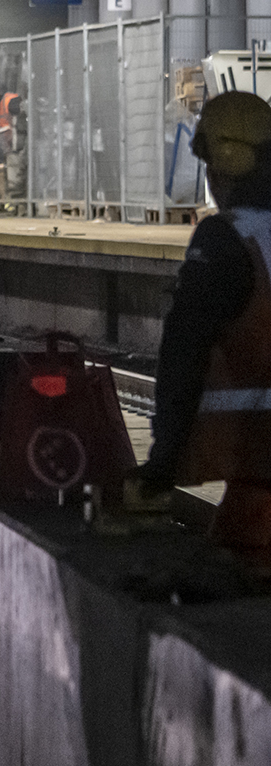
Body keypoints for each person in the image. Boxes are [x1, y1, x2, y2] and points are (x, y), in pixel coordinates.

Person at [130, 90, 271, 573]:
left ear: (222, 166)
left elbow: (183, 353)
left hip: (256, 473)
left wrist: (163, 460)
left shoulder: (226, 239)